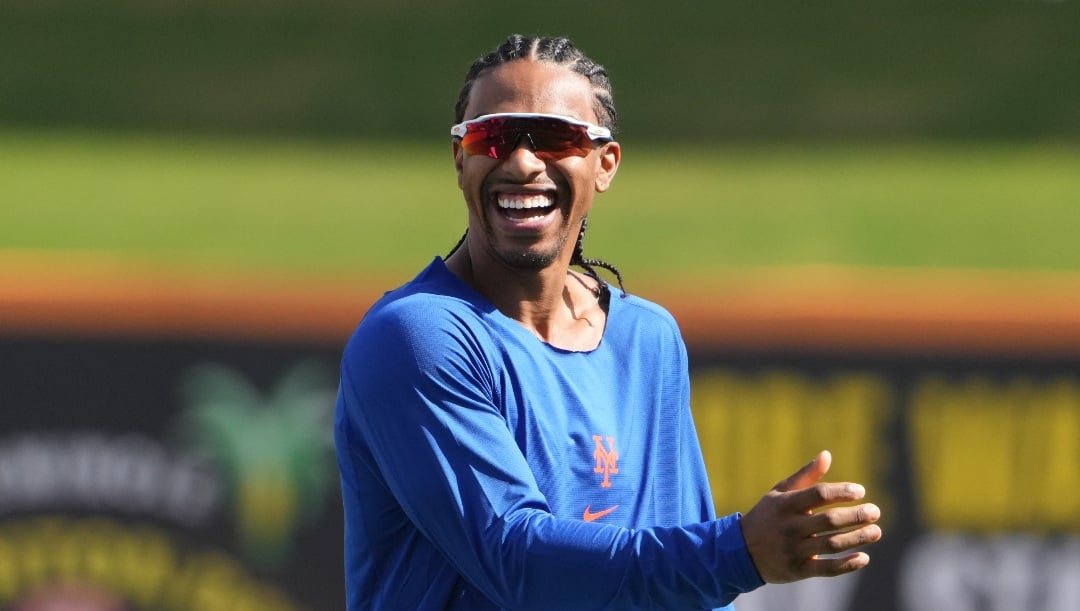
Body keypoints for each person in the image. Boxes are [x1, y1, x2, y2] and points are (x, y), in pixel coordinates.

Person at [334, 34, 882, 610]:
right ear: (459, 159)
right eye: (491, 136)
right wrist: (737, 554)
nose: (521, 162)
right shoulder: (416, 337)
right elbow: (514, 559)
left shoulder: (647, 339)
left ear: (605, 164)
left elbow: (688, 588)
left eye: (556, 137)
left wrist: (728, 563)